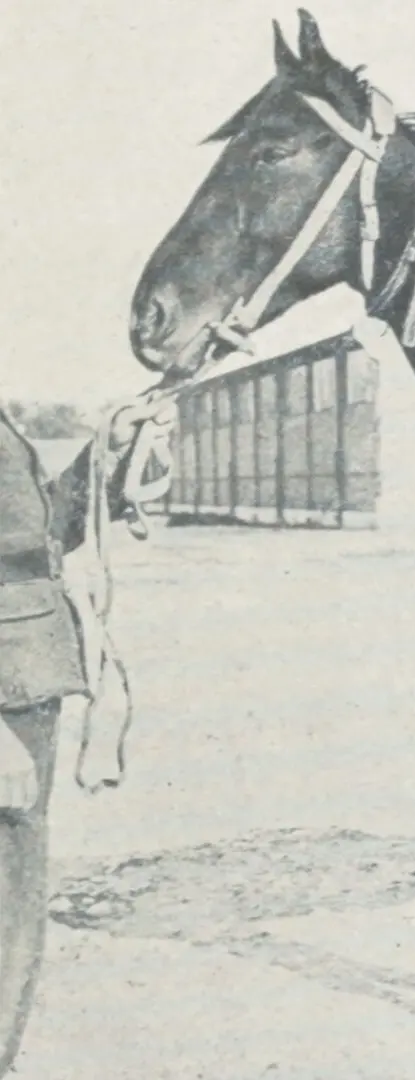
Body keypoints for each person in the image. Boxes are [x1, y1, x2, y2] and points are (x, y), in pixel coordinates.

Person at [0, 395, 171, 1073]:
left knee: (14, 904)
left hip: (24, 685)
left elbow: (33, 535)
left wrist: (107, 452)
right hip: (5, 705)